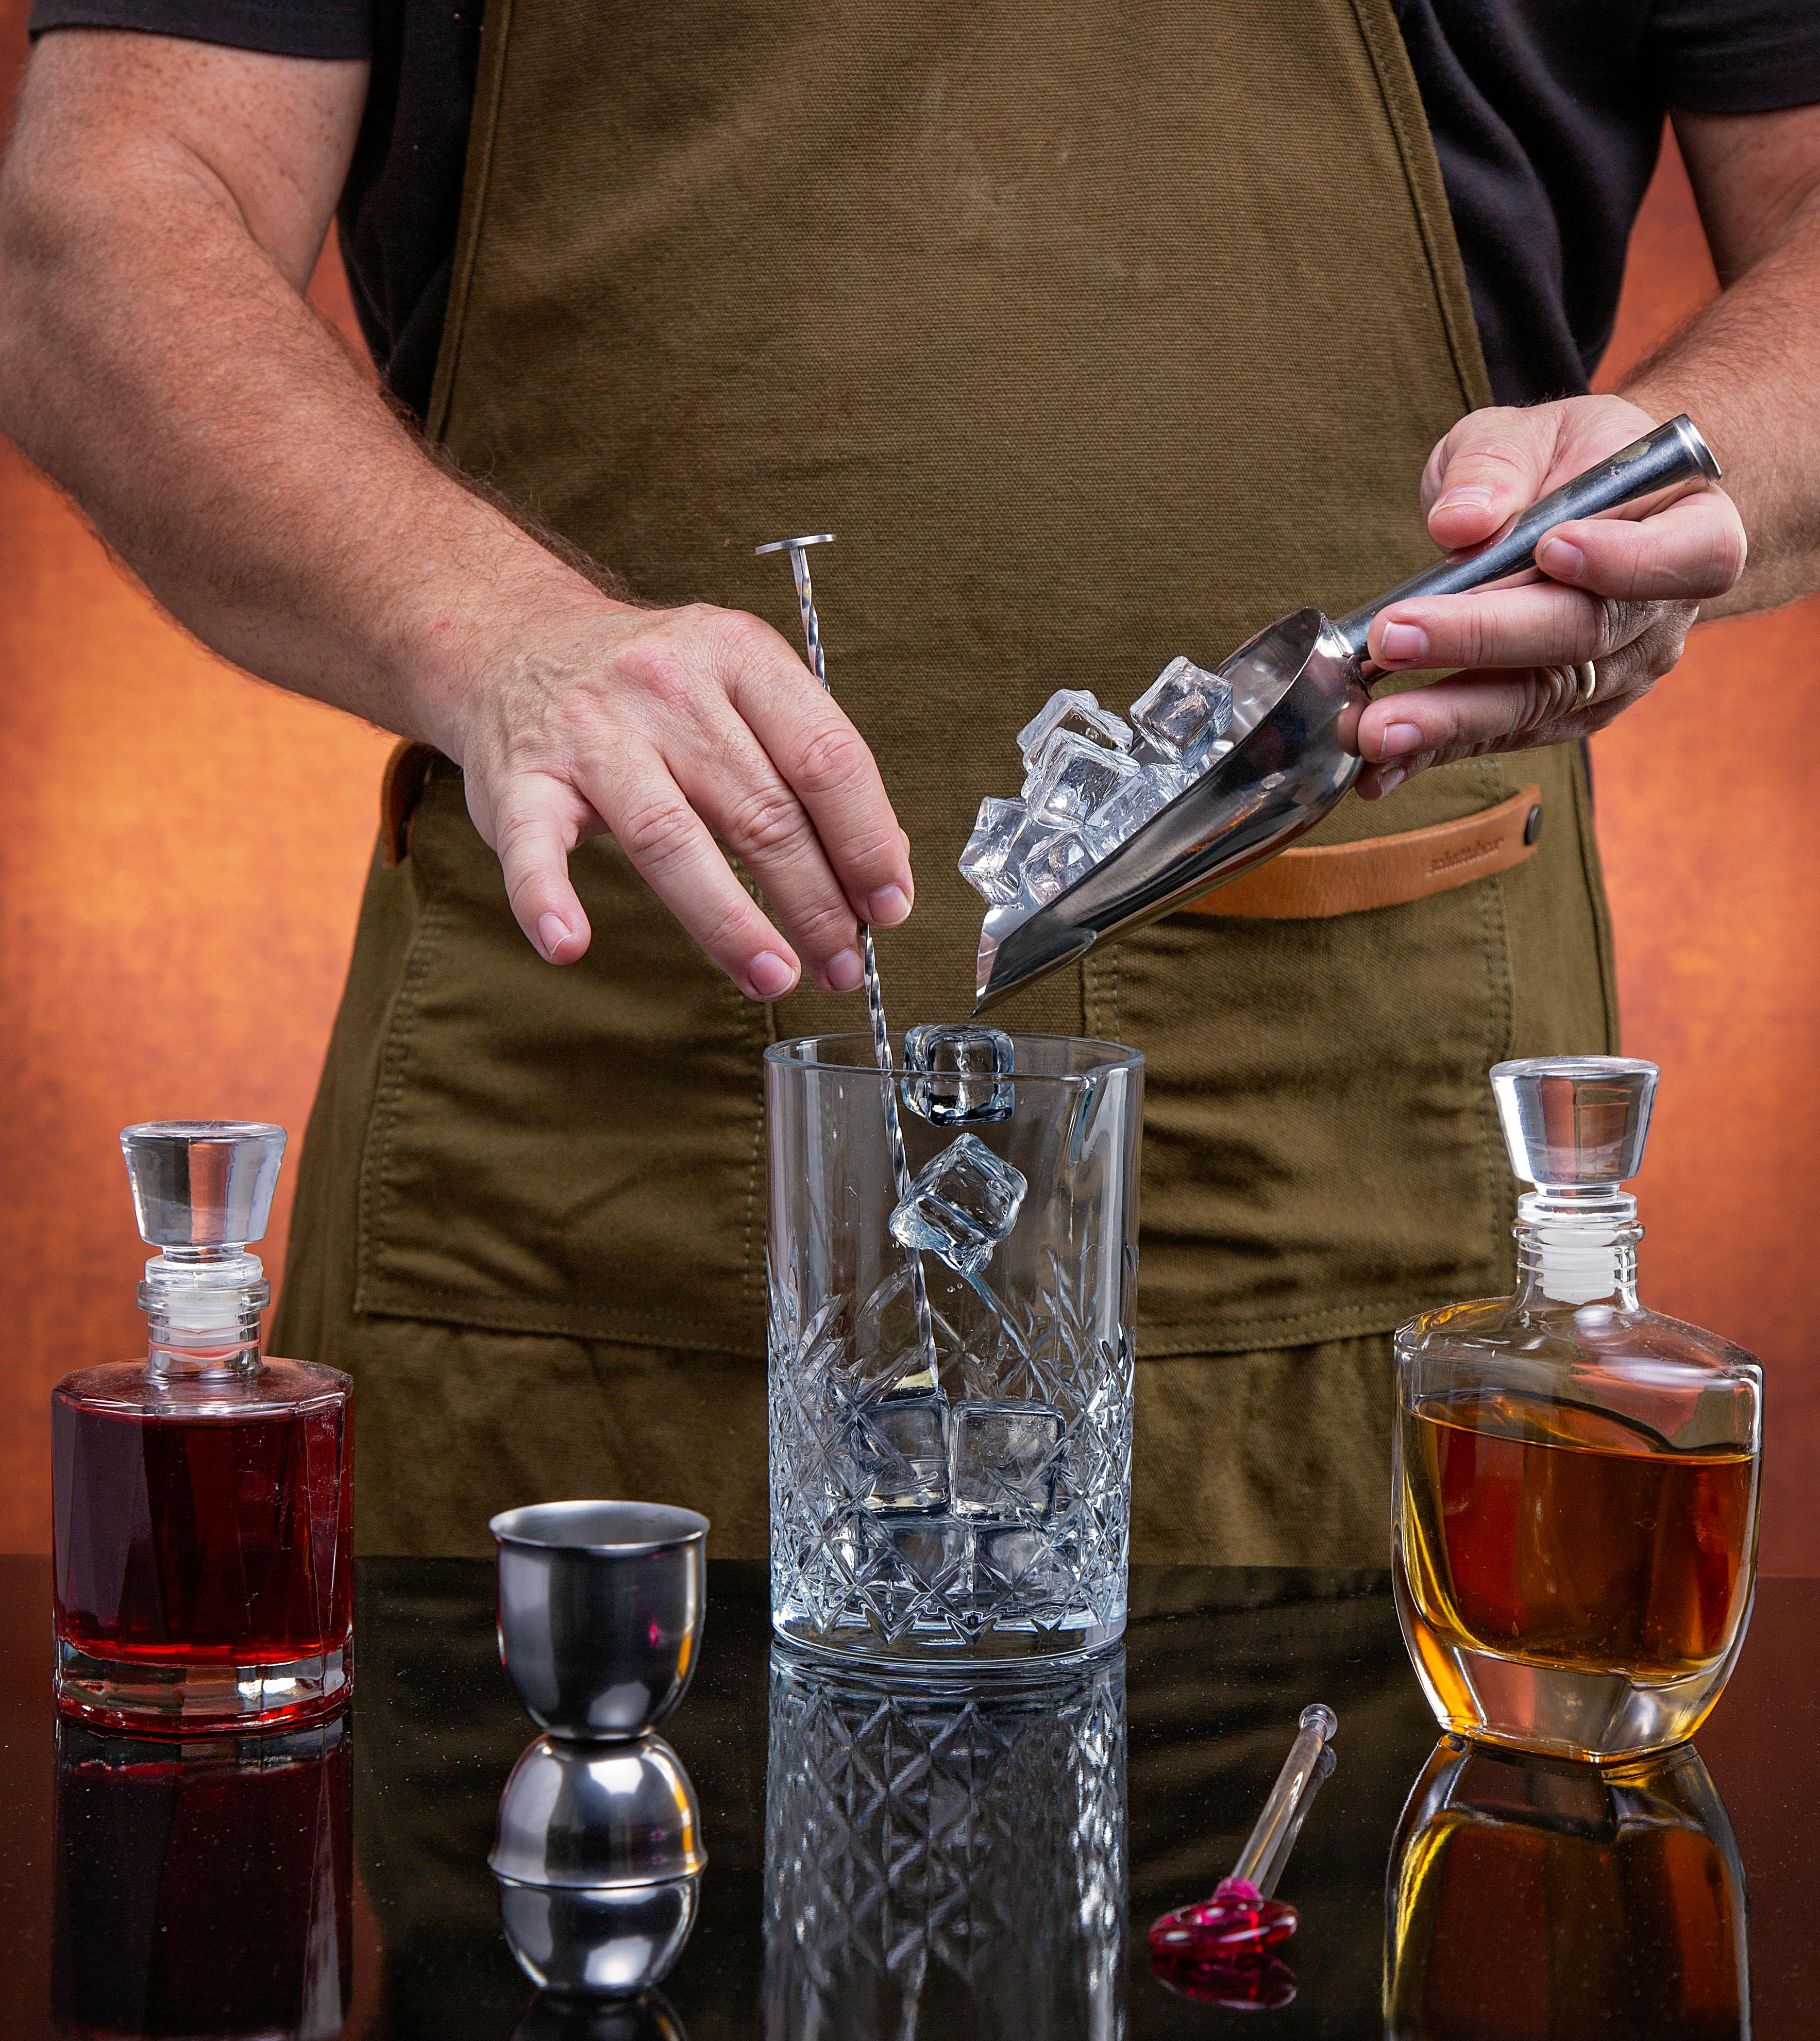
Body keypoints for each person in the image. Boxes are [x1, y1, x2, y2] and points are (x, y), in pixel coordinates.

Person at [1, 4, 1814, 1563]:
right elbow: (100, 232)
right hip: (587, 1210)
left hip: (1359, 1208)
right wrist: (487, 628)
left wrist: (1687, 487)